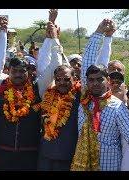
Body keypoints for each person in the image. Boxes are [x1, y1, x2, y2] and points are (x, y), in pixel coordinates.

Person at [71, 19, 129, 171]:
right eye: (91, 80)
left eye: (100, 79)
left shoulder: (117, 107)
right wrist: (99, 32)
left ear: (108, 81)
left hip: (108, 165)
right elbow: (87, 60)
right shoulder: (85, 98)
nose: (95, 83)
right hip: (82, 164)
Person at [0, 17, 41, 170]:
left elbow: (52, 67)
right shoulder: (1, 85)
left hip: (30, 154)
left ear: (29, 73)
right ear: (8, 71)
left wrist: (52, 39)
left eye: (22, 71)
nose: (18, 75)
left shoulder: (37, 88)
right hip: (3, 152)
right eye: (14, 71)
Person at [36, 9, 81, 171]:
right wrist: (51, 34)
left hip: (68, 158)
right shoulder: (46, 93)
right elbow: (47, 62)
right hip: (45, 156)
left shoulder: (80, 96)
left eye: (67, 79)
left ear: (75, 79)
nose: (62, 82)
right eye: (59, 79)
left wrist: (55, 38)